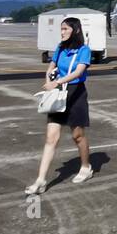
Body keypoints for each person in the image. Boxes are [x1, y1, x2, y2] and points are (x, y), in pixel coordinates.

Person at [26, 17, 93, 194]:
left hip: (75, 93)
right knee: (51, 138)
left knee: (78, 135)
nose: (62, 32)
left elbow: (79, 71)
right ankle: (41, 179)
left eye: (65, 29)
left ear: (75, 30)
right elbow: (50, 67)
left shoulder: (84, 50)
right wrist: (49, 78)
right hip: (57, 94)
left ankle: (86, 167)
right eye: (61, 29)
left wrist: (57, 82)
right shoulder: (60, 48)